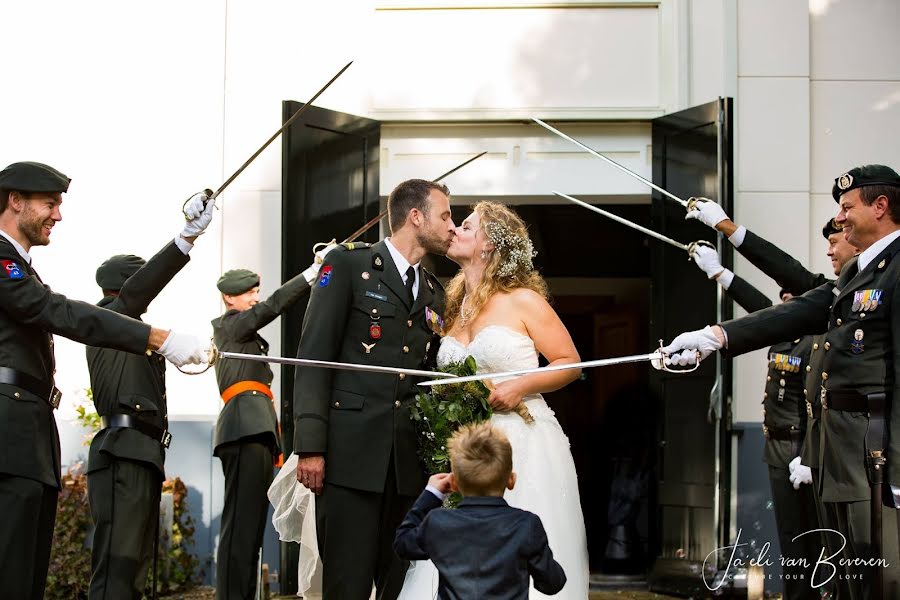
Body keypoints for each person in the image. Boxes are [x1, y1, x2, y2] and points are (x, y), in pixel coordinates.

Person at [664, 164, 900, 599]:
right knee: (846, 577)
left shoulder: (894, 268)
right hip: (841, 453)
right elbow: (801, 305)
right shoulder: (858, 274)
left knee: (879, 575)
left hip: (878, 456)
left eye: (847, 208)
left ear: (881, 206)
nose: (841, 220)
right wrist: (716, 336)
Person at [0, 161, 210, 600]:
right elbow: (59, 312)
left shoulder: (21, 266)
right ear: (15, 201)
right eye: (49, 203)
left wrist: (184, 239)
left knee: (25, 576)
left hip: (27, 437)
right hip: (9, 438)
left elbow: (121, 304)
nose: (58, 215)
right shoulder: (4, 265)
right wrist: (158, 337)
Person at [399, 201, 589, 599]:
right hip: (467, 446)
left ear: (489, 245)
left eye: (466, 226)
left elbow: (570, 363)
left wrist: (519, 386)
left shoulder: (522, 300)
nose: (455, 230)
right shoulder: (451, 306)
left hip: (521, 441)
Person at [293, 178, 455, 599]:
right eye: (445, 215)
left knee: (397, 583)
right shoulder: (347, 266)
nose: (451, 226)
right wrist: (310, 444)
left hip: (405, 464)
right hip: (348, 457)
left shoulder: (434, 292)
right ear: (415, 217)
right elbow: (313, 358)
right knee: (346, 582)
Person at [86, 192, 216, 599]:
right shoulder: (110, 317)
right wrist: (186, 238)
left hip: (139, 453)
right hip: (123, 453)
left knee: (135, 567)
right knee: (118, 566)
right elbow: (138, 292)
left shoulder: (128, 329)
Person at [691, 247, 820, 598]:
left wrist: (809, 453)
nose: (783, 309)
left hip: (800, 450)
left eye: (791, 303)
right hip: (777, 448)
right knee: (790, 539)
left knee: (810, 541)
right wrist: (719, 274)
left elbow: (818, 404)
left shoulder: (815, 341)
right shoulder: (783, 333)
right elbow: (757, 308)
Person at [212, 244, 335, 600]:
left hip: (256, 428)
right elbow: (271, 308)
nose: (254, 298)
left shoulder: (241, 330)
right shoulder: (231, 327)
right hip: (244, 428)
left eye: (255, 292)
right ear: (228, 298)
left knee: (248, 525)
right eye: (247, 293)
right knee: (239, 524)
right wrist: (311, 273)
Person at [394, 422, 567, 599]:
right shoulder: (526, 525)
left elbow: (402, 544)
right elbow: (552, 583)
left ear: (453, 483)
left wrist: (431, 494)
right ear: (511, 480)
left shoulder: (439, 522)